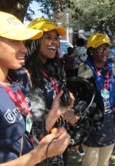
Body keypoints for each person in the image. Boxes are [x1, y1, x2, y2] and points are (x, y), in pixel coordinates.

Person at [0, 11, 71, 165]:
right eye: (15, 41)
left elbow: (22, 134)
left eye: (23, 42)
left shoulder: (14, 82)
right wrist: (39, 155)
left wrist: (52, 116)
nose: (24, 48)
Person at [24, 17, 79, 166]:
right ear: (34, 41)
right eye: (48, 37)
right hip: (36, 150)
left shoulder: (53, 70)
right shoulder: (24, 74)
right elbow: (28, 123)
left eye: (56, 38)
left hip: (57, 145)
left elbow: (55, 107)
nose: (54, 42)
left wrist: (67, 110)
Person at [77, 33, 115, 166]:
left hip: (111, 126)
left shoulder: (114, 71)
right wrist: (80, 132)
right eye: (100, 48)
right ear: (90, 51)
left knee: (104, 163)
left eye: (107, 48)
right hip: (92, 128)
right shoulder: (83, 75)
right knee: (90, 163)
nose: (105, 52)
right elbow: (78, 104)